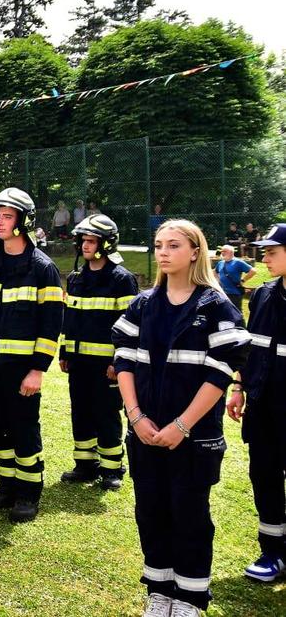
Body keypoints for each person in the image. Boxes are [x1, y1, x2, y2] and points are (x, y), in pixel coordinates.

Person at [113, 219, 249, 616]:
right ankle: (159, 591)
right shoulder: (142, 305)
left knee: (189, 516)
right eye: (158, 245)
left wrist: (182, 425)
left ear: (195, 252)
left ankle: (189, 598)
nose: (162, 252)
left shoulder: (216, 307)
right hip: (145, 432)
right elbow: (123, 362)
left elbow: (221, 372)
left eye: (173, 245)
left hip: (193, 437)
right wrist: (136, 417)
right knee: (150, 512)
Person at [0, 188, 64, 523]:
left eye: (8, 216)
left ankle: (28, 492)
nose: (1, 221)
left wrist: (38, 370)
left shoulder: (42, 268)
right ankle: (6, 486)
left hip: (23, 368)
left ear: (24, 221)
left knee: (24, 427)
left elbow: (52, 324)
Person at [59, 215, 139, 491]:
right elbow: (70, 319)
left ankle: (111, 468)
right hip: (79, 361)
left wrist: (118, 361)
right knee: (81, 411)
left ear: (106, 244)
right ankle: (85, 465)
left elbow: (129, 327)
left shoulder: (121, 280)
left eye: (91, 241)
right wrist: (64, 351)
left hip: (107, 365)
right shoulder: (76, 279)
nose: (85, 246)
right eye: (82, 240)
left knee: (106, 413)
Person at [226, 223, 286, 583]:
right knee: (263, 474)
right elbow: (251, 349)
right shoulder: (262, 295)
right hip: (263, 404)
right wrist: (238, 387)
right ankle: (272, 551)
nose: (265, 255)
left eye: (273, 249)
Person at [214, 244, 255, 311]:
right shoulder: (220, 263)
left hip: (235, 293)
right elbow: (215, 272)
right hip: (222, 293)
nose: (222, 253)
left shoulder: (238, 262)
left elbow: (253, 271)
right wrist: (217, 281)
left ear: (231, 252)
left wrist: (243, 280)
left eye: (224, 251)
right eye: (222, 251)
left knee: (236, 313)